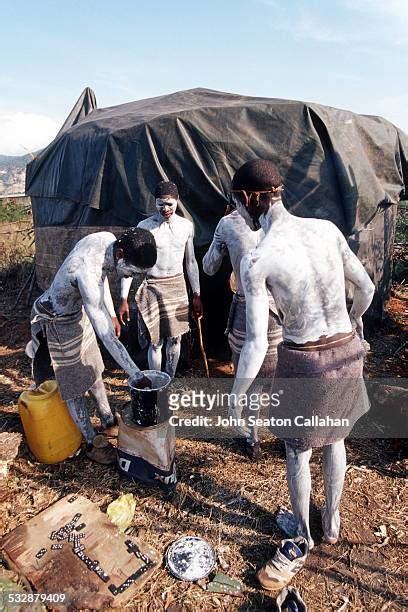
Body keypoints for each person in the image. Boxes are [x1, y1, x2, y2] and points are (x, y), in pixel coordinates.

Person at [228, 159, 374, 588]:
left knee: (298, 450)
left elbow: (256, 343)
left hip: (306, 360)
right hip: (346, 351)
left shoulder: (258, 259)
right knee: (335, 438)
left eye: (238, 201)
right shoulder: (326, 230)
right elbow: (365, 289)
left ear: (252, 199)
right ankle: (332, 524)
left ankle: (304, 535)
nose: (238, 210)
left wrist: (237, 394)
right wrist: (355, 322)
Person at [27, 229, 157, 464]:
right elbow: (107, 335)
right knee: (75, 385)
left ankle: (107, 421)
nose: (131, 277)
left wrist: (111, 313)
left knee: (94, 372)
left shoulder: (107, 240)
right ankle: (91, 441)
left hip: (78, 312)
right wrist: (136, 373)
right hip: (58, 319)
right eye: (131, 272)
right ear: (120, 254)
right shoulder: (85, 272)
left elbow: (103, 278)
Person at [202, 204, 282, 458]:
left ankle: (251, 438)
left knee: (252, 381)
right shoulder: (285, 219)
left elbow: (209, 267)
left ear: (240, 196)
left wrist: (221, 243)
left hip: (250, 305)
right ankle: (278, 434)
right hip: (280, 308)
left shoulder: (228, 224)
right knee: (278, 379)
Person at [119, 181, 203, 378]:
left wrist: (197, 293)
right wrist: (123, 298)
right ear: (154, 203)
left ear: (177, 201)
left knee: (175, 339)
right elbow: (132, 264)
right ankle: (157, 381)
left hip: (177, 286)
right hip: (153, 286)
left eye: (169, 204)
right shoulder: (145, 228)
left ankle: (169, 379)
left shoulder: (186, 227)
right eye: (160, 204)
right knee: (155, 340)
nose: (165, 209)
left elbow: (191, 262)